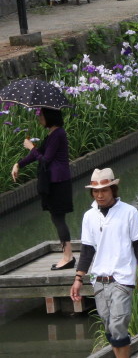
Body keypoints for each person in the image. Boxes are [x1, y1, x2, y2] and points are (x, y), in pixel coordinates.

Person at [70, 168, 138, 358]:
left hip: (122, 278)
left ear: (113, 189)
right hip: (99, 279)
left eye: (104, 190)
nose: (99, 194)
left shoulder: (129, 212)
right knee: (109, 327)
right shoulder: (89, 216)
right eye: (96, 191)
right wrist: (78, 278)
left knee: (118, 324)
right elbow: (87, 251)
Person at [12, 107, 74, 270]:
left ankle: (68, 257)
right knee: (56, 218)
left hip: (58, 182)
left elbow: (45, 159)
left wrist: (31, 147)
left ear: (50, 117)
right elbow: (38, 154)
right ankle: (66, 255)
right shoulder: (52, 134)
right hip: (53, 181)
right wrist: (19, 164)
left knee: (58, 218)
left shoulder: (58, 134)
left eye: (42, 115)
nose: (39, 118)